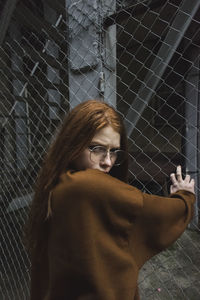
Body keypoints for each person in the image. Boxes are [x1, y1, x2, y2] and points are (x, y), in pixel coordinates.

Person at [25, 99, 195, 300]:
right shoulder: (86, 185)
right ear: (73, 143)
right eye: (96, 148)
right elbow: (156, 212)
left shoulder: (56, 182)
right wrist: (184, 197)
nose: (107, 162)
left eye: (114, 151)